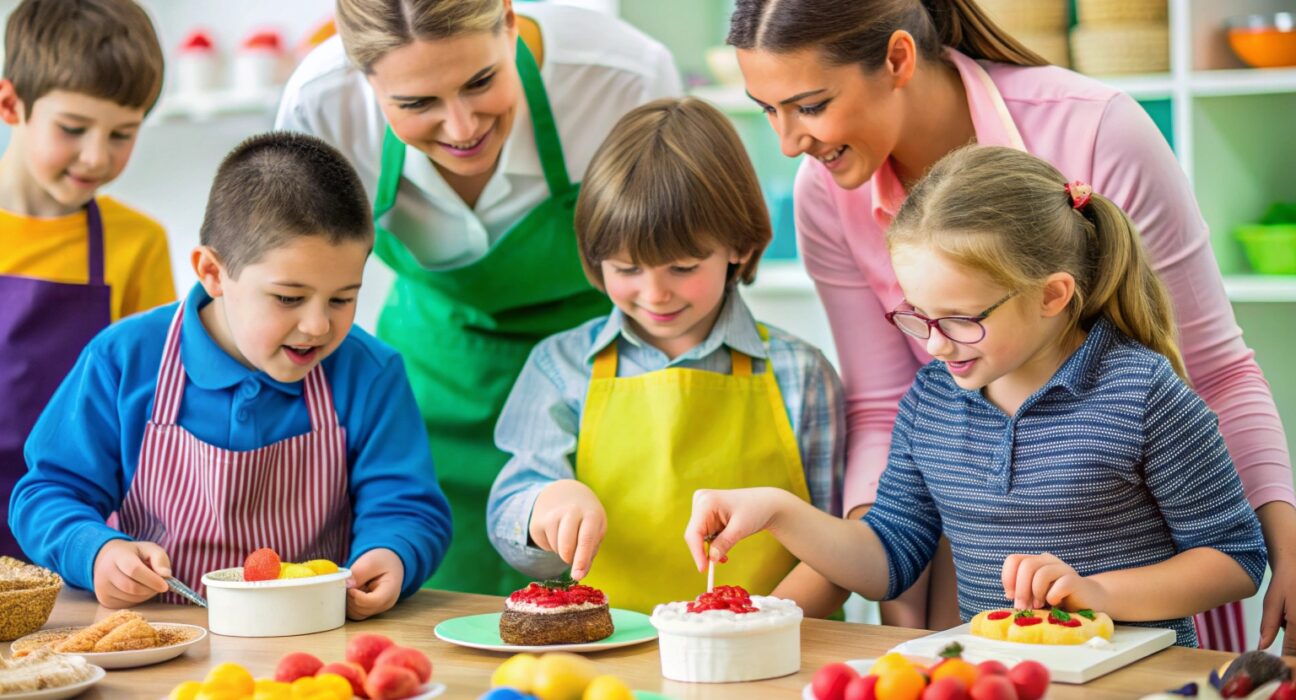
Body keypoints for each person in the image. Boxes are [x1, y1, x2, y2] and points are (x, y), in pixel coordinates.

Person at [727, 0, 1295, 650]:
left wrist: (1285, 543)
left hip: (1147, 633)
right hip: (991, 638)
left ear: (897, 59)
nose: (788, 142)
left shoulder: (1098, 135)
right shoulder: (933, 395)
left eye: (810, 104)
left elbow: (1218, 378)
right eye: (766, 108)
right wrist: (824, 542)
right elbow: (885, 427)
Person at [686, 145, 1267, 647]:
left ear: (1052, 295)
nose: (936, 344)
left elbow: (1236, 559)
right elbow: (888, 557)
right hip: (996, 677)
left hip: (1135, 680)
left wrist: (1097, 594)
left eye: (961, 320)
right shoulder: (932, 401)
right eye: (919, 316)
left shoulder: (1142, 393)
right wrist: (779, 511)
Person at [275, 0, 682, 595]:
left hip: (604, 383)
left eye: (482, 81)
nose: (463, 127)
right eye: (416, 104)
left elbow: (683, 260)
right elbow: (290, 299)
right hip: (430, 395)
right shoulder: (321, 106)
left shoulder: (624, 78)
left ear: (510, 24)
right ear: (364, 79)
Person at [9, 132, 451, 620]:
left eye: (343, 298)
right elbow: (47, 494)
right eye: (288, 297)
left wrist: (393, 553)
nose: (319, 326)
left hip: (312, 641)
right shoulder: (124, 359)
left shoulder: (369, 373)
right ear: (213, 273)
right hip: (160, 636)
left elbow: (409, 507)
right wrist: (94, 550)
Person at [486, 97, 844, 613]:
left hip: (768, 658)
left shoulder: (801, 373)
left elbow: (835, 550)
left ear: (739, 246)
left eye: (682, 267)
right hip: (607, 658)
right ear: (593, 258)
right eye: (627, 269)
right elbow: (513, 521)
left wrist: (759, 628)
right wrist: (548, 505)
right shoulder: (559, 366)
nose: (655, 294)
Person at [0, 0, 174, 558]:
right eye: (73, 128)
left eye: (123, 133)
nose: (96, 156)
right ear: (10, 104)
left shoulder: (137, 243)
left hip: (77, 532)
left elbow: (155, 407)